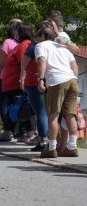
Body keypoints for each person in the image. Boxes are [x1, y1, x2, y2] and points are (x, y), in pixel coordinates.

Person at [35, 24, 80, 158]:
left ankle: (52, 148)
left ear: (42, 36)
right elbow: (74, 66)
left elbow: (42, 61)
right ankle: (72, 147)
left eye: (37, 36)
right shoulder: (63, 47)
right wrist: (75, 80)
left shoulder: (41, 46)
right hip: (72, 80)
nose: (36, 39)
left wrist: (41, 79)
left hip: (56, 81)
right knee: (70, 114)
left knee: (53, 114)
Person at [21, 24, 48, 152]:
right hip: (49, 80)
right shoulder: (52, 46)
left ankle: (44, 140)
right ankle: (50, 140)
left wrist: (22, 78)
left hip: (34, 81)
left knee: (40, 112)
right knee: (48, 112)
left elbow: (24, 63)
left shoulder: (33, 46)